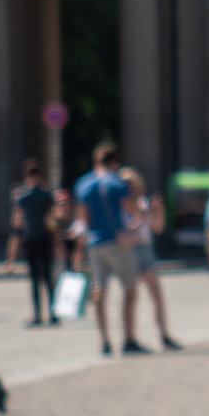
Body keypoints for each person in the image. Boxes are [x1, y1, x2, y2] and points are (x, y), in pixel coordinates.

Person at [73, 143, 145, 357]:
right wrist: (133, 228)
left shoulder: (84, 184)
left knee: (99, 291)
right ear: (114, 162)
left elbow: (82, 220)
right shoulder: (117, 182)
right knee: (130, 289)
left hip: (95, 243)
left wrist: (78, 251)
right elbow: (132, 210)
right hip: (118, 241)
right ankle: (128, 339)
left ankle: (104, 340)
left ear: (96, 160)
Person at [119, 169, 183, 350]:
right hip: (129, 251)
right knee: (131, 296)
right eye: (127, 184)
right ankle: (129, 337)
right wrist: (141, 214)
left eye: (133, 183)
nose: (131, 187)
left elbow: (158, 228)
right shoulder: (121, 205)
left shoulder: (143, 202)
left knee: (156, 293)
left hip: (146, 249)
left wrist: (159, 210)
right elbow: (127, 228)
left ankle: (163, 334)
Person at [10, 160, 59, 327]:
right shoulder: (46, 195)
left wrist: (12, 254)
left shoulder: (22, 197)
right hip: (45, 238)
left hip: (30, 239)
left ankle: (37, 315)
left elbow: (17, 222)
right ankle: (53, 314)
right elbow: (53, 218)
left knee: (34, 279)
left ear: (27, 176)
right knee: (48, 277)